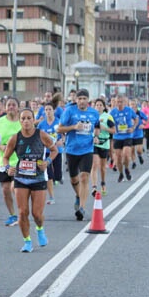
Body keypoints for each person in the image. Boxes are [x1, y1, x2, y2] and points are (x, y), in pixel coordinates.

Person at [2, 108, 59, 253]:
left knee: (37, 214)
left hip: (38, 178)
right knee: (22, 212)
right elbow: (5, 157)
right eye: (23, 119)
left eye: (29, 118)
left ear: (33, 120)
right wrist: (8, 167)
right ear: (20, 121)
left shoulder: (42, 135)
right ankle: (27, 241)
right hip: (21, 177)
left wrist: (46, 162)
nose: (26, 121)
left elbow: (54, 150)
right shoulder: (15, 138)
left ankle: (39, 228)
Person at [56, 89, 101, 220]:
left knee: (84, 177)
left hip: (87, 149)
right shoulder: (69, 111)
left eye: (84, 99)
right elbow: (59, 128)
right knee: (74, 179)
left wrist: (96, 136)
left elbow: (97, 126)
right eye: (79, 99)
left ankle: (82, 207)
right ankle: (78, 195)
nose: (82, 101)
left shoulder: (94, 113)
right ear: (76, 100)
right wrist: (74, 127)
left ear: (88, 100)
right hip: (71, 149)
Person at [0, 97, 22, 227]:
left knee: (14, 187)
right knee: (5, 189)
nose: (11, 107)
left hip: (19, 160)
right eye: (9, 105)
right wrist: (0, 146)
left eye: (13, 105)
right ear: (5, 107)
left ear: (18, 107)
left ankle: (22, 213)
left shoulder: (22, 122)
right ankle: (12, 214)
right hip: (4, 160)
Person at [38, 103, 63, 205]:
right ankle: (51, 197)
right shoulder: (41, 124)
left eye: (50, 109)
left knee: (57, 175)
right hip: (46, 152)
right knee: (49, 175)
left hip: (57, 151)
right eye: (46, 110)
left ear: (54, 111)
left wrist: (61, 141)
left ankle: (59, 177)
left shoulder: (58, 122)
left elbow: (63, 136)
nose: (48, 112)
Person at [109, 94, 137, 183]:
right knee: (118, 157)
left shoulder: (129, 110)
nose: (119, 104)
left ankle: (127, 168)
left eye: (121, 102)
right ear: (115, 102)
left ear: (124, 102)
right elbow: (108, 123)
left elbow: (136, 119)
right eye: (118, 102)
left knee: (126, 154)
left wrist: (133, 128)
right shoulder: (112, 112)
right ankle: (121, 173)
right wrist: (112, 129)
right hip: (117, 137)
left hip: (127, 136)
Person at [90, 98, 115, 196]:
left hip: (104, 143)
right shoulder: (91, 116)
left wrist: (105, 128)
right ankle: (94, 187)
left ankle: (103, 182)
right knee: (94, 164)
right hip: (94, 143)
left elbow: (114, 131)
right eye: (97, 105)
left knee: (103, 168)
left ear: (104, 107)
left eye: (100, 105)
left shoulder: (108, 117)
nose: (98, 107)